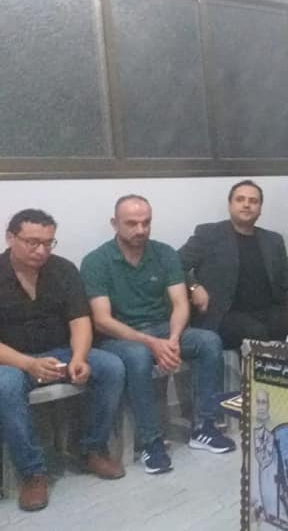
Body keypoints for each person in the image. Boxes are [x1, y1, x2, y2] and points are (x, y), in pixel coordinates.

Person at [81, 195, 235, 475]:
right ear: (115, 223)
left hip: (163, 328)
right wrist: (152, 343)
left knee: (208, 341)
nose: (140, 230)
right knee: (139, 356)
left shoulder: (164, 254)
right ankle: (150, 441)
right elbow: (102, 320)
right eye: (132, 223)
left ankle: (205, 426)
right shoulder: (96, 261)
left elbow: (180, 304)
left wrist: (173, 340)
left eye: (146, 223)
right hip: (120, 336)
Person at [0, 209, 126, 511]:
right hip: (12, 360)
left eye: (48, 242)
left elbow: (80, 320)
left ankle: (91, 450)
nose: (41, 250)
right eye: (32, 242)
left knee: (111, 367)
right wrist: (28, 364)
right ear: (10, 238)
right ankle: (33, 473)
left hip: (59, 351)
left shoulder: (63, 269)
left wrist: (79, 357)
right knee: (6, 385)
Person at [178, 180, 288, 350]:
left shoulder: (273, 241)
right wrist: (194, 287)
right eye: (240, 199)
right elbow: (173, 265)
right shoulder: (209, 234)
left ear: (260, 209)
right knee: (255, 332)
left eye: (253, 201)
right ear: (230, 205)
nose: (246, 205)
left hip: (268, 312)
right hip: (224, 314)